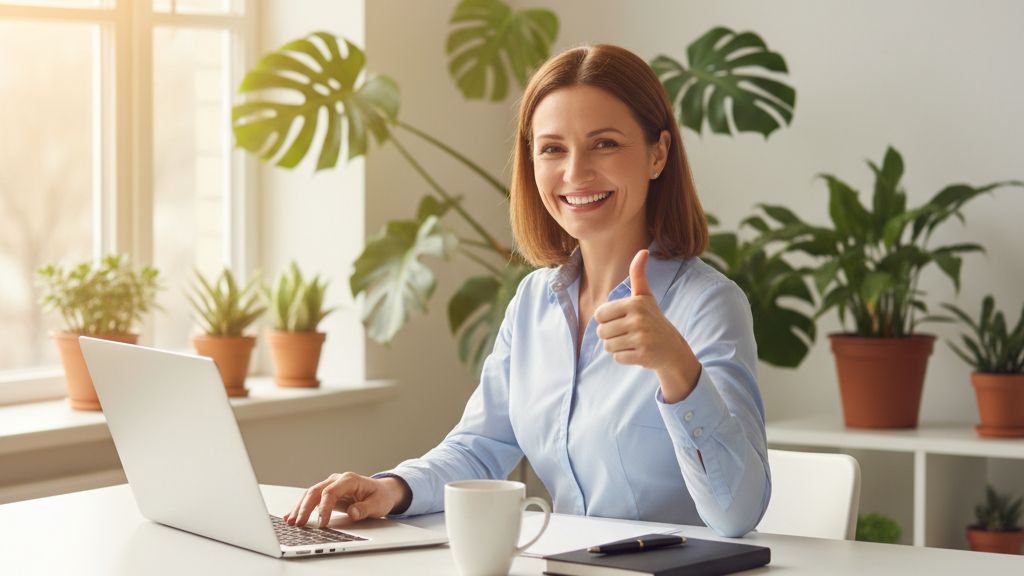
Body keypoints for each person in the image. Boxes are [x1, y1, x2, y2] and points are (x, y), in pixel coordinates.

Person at [283, 44, 770, 538]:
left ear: (657, 153)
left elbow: (737, 514)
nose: (575, 172)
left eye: (604, 144)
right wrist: (393, 488)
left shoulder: (708, 305)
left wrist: (676, 367)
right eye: (553, 148)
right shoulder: (534, 302)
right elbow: (481, 445)